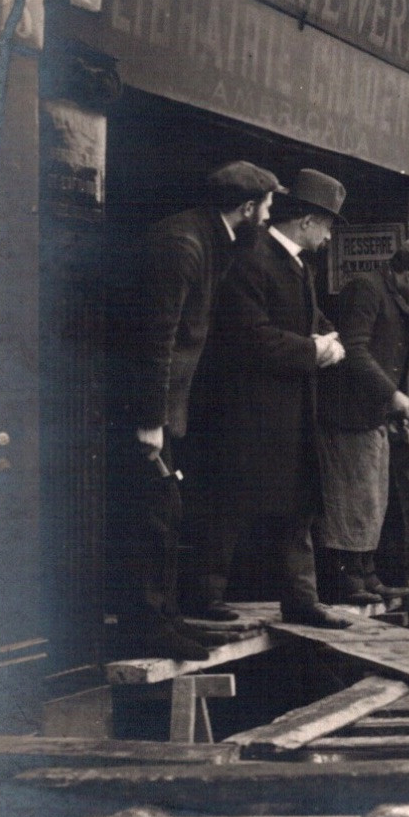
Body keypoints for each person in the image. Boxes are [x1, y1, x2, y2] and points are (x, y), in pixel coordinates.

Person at [115, 161, 283, 660]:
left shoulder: (213, 239)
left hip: (168, 406)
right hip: (147, 410)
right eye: (268, 207)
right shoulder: (183, 245)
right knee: (153, 515)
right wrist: (150, 420)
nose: (272, 218)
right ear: (247, 208)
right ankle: (147, 623)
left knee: (166, 511)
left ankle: (165, 618)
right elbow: (157, 339)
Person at [193, 169, 349, 628]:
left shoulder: (296, 263)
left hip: (289, 408)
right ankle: (205, 596)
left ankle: (301, 599)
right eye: (327, 225)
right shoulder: (251, 258)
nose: (328, 235)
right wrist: (313, 350)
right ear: (306, 221)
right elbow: (249, 336)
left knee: (299, 502)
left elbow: (302, 320)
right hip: (247, 408)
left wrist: (325, 337)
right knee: (230, 501)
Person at [315, 240, 409, 605]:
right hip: (346, 415)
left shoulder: (394, 298)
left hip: (372, 418)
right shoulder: (366, 289)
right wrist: (392, 395)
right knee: (349, 499)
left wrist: (390, 410)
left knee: (373, 500)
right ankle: (346, 580)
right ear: (407, 274)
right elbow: (354, 349)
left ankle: (366, 574)